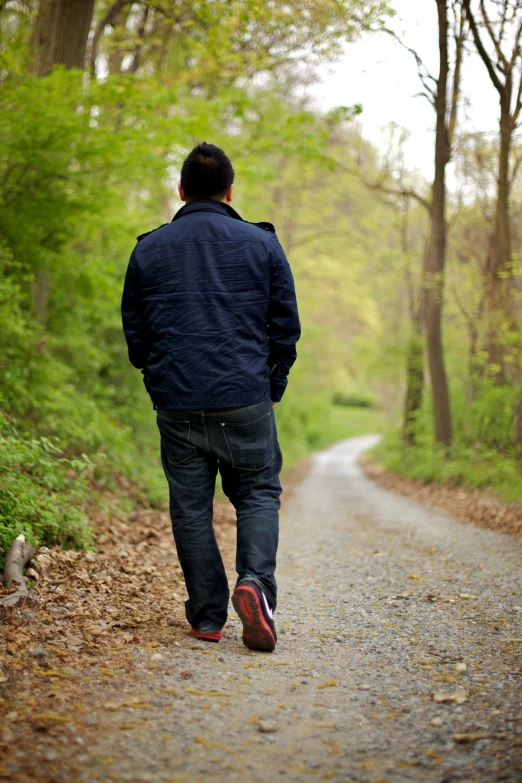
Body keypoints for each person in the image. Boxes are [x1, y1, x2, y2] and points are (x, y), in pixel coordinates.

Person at [121, 142, 300, 652]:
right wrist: (272, 385)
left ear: (181, 191)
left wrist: (154, 375)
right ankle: (254, 586)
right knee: (258, 493)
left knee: (191, 507)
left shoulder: (148, 249)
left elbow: (136, 332)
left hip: (177, 399)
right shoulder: (262, 245)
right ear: (229, 191)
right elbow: (286, 327)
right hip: (244, 396)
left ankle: (206, 616)